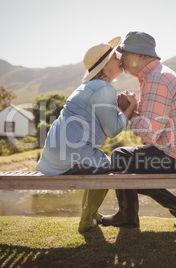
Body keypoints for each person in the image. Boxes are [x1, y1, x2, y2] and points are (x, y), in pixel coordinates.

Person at [101, 31, 176, 229]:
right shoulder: (156, 76)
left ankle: (129, 216)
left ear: (141, 55)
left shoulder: (157, 79)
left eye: (125, 53)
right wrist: (134, 108)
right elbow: (155, 124)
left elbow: (150, 135)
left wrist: (129, 111)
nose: (121, 58)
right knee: (126, 162)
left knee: (120, 157)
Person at [35, 36, 137, 233]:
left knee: (98, 163)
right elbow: (113, 130)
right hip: (71, 155)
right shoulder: (103, 88)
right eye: (115, 56)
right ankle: (86, 219)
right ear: (106, 65)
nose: (120, 58)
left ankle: (91, 214)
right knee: (107, 167)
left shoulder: (87, 87)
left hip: (53, 157)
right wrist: (131, 107)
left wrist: (117, 107)